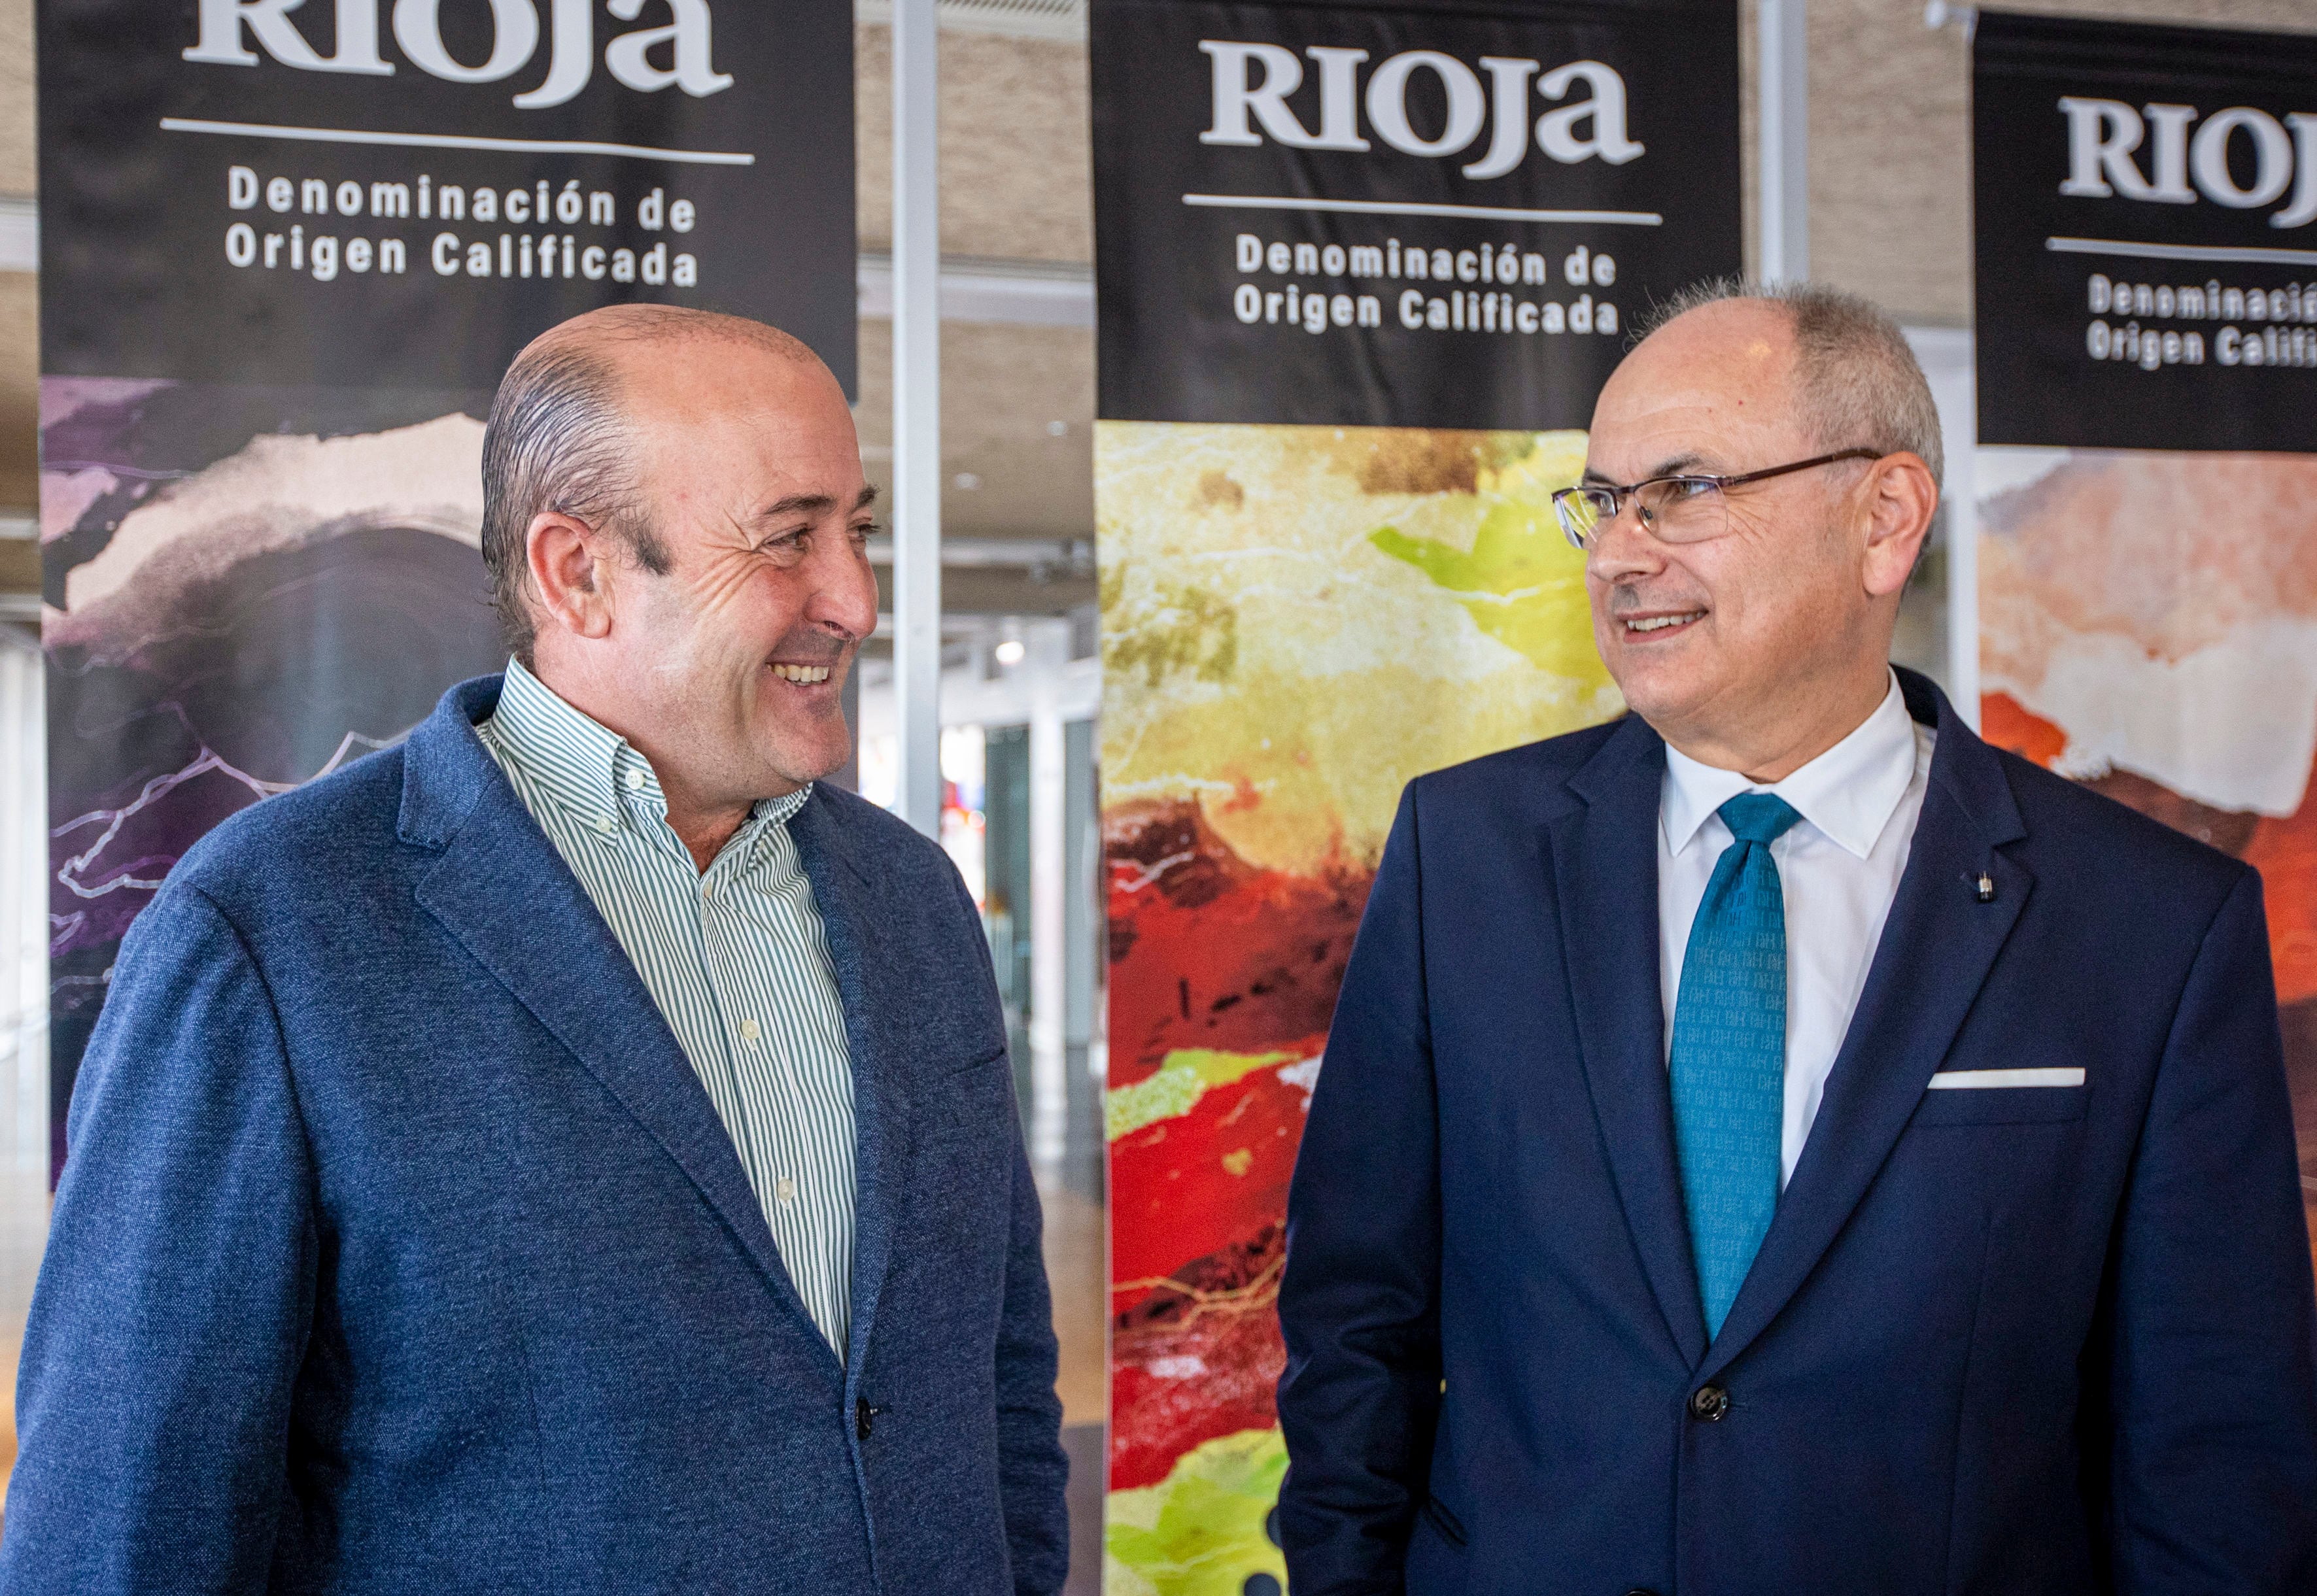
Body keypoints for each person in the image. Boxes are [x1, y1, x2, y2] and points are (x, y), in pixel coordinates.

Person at [1, 306, 1069, 1595]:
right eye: (790, 538)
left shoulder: (910, 898)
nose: (853, 597)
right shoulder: (273, 928)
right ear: (577, 574)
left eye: (858, 529)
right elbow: (127, 1526)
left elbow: (992, 1368)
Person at [1275, 280, 2317, 1593]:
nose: (1615, 554)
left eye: (1685, 489)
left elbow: (2213, 1438)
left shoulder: (2147, 923)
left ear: (1881, 520)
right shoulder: (1462, 859)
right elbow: (1354, 1321)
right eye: (1600, 504)